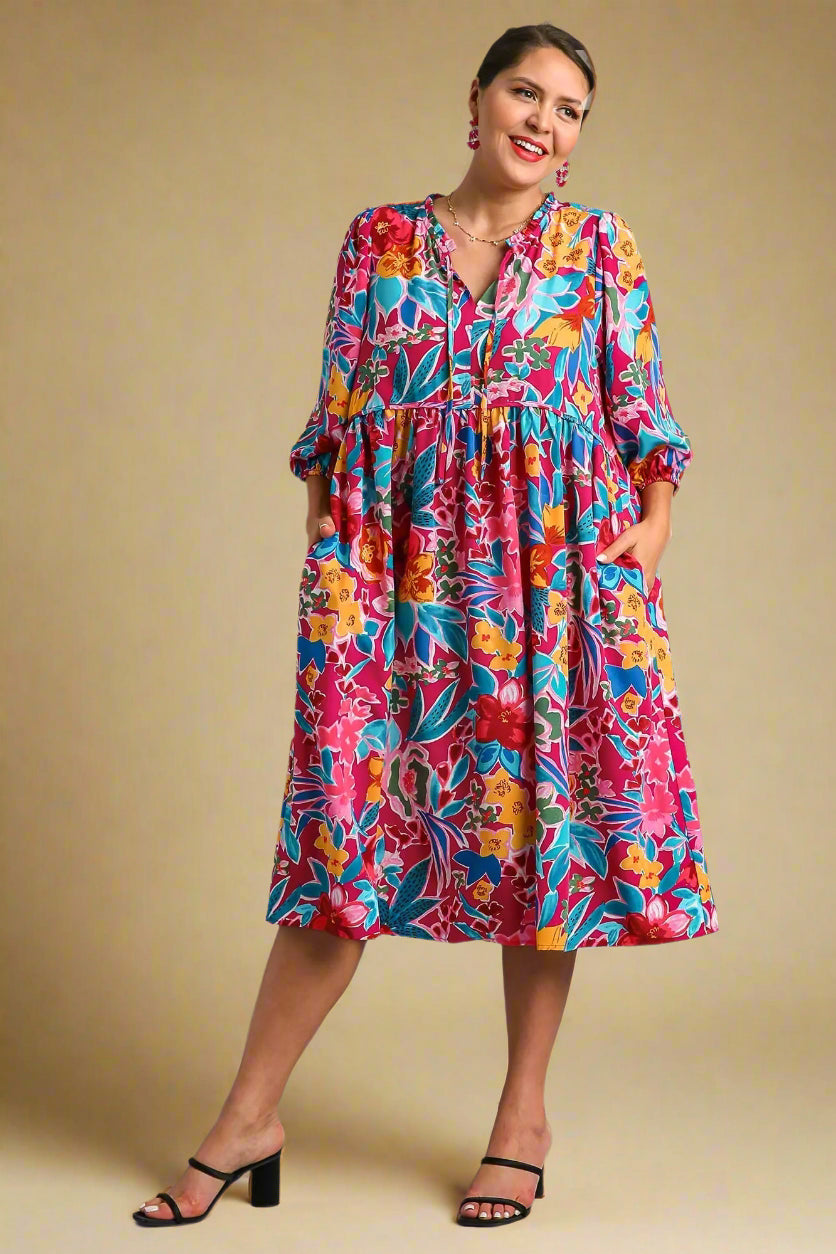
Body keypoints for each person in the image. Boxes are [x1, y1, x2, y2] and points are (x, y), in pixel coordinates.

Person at [133, 21, 719, 1232]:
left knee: (539, 848)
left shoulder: (600, 250)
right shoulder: (379, 242)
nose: (544, 122)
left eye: (569, 110)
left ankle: (521, 1122)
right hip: (394, 594)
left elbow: (643, 421)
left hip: (553, 592)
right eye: (525, 91)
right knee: (340, 847)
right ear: (475, 98)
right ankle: (248, 1116)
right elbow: (333, 426)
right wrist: (332, 576)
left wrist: (647, 536)